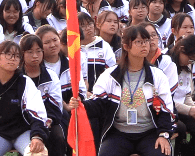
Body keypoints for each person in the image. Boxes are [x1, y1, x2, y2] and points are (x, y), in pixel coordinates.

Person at [69, 25, 175, 156]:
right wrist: (81, 104)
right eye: (138, 42)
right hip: (119, 133)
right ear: (126, 46)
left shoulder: (157, 76)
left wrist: (163, 135)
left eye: (146, 41)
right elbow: (98, 104)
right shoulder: (110, 75)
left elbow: (167, 109)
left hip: (149, 133)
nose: (144, 45)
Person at [20, 34, 66, 156]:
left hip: (49, 120)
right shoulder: (18, 77)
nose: (35, 56)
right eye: (30, 52)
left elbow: (56, 105)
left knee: (58, 137)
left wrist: (46, 122)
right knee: (29, 144)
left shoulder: (51, 76)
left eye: (38, 51)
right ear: (22, 54)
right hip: (25, 121)